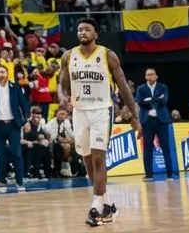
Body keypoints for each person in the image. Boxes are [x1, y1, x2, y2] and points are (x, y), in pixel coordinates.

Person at [61, 18, 139, 226]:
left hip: (101, 110)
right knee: (87, 161)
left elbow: (123, 87)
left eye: (87, 29)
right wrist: (62, 89)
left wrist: (135, 116)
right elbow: (63, 86)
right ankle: (108, 205)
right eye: (79, 29)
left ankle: (95, 207)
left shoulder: (107, 55)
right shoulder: (69, 56)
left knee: (98, 159)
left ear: (96, 34)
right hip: (79, 111)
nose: (82, 32)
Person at [0, 64, 29, 188]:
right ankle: (2, 180)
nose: (1, 74)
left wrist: (26, 119)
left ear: (7, 74)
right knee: (0, 154)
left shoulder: (15, 87)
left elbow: (24, 103)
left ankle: (20, 180)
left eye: (3, 72)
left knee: (16, 153)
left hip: (13, 124)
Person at [134, 67, 176, 179]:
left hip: (161, 120)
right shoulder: (141, 89)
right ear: (145, 77)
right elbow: (140, 102)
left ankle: (170, 174)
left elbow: (164, 101)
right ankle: (148, 175)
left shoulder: (163, 87)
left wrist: (149, 100)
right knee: (147, 148)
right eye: (148, 75)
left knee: (165, 147)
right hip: (147, 121)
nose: (150, 76)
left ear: (156, 76)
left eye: (152, 74)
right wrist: (156, 99)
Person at [21, 110, 52, 179]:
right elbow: (24, 138)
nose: (36, 117)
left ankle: (47, 172)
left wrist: (45, 139)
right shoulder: (27, 124)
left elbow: (45, 135)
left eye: (38, 115)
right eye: (35, 114)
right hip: (25, 145)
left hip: (36, 144)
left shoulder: (41, 125)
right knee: (38, 148)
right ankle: (35, 171)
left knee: (46, 148)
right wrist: (35, 140)